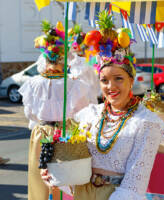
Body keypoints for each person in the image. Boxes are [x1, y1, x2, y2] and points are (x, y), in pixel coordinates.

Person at [41, 11, 164, 200]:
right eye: (104, 80)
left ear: (131, 81)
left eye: (118, 79)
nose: (111, 87)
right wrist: (57, 174)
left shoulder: (146, 123)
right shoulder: (89, 114)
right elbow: (75, 165)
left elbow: (135, 183)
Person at [20, 21, 97, 200]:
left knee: (40, 179)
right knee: (66, 180)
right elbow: (84, 113)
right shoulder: (76, 85)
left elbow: (29, 115)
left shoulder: (31, 84)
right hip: (66, 134)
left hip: (41, 132)